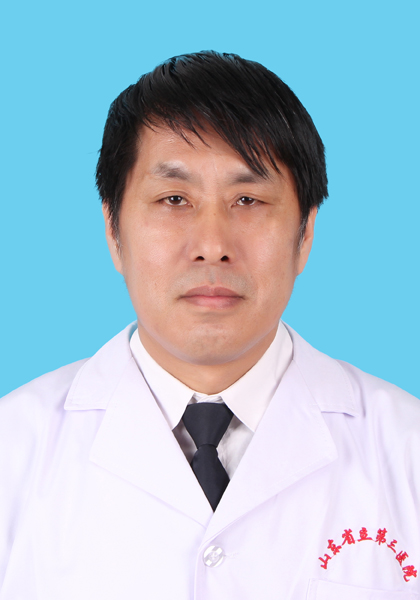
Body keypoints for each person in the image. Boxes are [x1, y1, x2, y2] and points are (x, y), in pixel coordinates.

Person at [1, 51, 419, 600]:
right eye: (174, 199)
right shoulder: (12, 452)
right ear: (113, 230)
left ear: (305, 233)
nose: (213, 246)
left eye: (248, 199)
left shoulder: (407, 449)